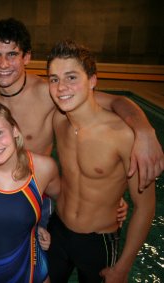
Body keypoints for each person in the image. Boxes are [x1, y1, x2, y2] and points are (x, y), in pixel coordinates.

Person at [0, 18, 163, 193]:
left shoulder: (49, 92)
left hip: (37, 190)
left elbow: (117, 101)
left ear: (26, 57)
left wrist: (145, 132)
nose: (3, 64)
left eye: (12, 55)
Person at [46, 39, 156, 282]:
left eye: (71, 77)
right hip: (58, 229)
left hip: (99, 241)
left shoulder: (123, 136)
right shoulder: (58, 119)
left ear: (92, 81)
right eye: (54, 79)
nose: (61, 87)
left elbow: (145, 206)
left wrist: (124, 266)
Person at [0, 102, 60, 282]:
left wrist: (41, 224)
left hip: (33, 274)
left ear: (15, 130)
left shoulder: (42, 168)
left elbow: (65, 199)